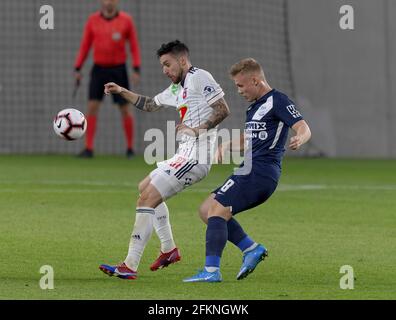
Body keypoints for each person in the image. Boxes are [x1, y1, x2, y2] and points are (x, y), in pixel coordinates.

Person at [99, 40, 230, 280]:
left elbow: (222, 109)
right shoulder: (175, 89)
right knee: (144, 188)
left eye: (168, 64)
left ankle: (130, 265)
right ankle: (169, 249)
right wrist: (121, 90)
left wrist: (199, 129)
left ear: (182, 60)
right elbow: (150, 104)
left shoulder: (199, 77)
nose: (165, 70)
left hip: (196, 157)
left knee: (147, 198)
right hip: (183, 154)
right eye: (162, 66)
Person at [183, 58, 312, 283]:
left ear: (255, 80)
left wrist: (301, 137)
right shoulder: (254, 107)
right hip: (249, 170)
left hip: (261, 173)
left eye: (241, 86)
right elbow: (250, 138)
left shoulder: (278, 100)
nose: (239, 91)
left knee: (217, 211)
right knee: (206, 210)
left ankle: (211, 271)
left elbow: (303, 126)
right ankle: (251, 249)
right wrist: (226, 145)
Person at [74, 0, 141, 158]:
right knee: (92, 107)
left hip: (119, 70)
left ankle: (130, 149)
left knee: (125, 108)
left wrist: (136, 68)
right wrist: (78, 67)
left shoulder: (126, 20)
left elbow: (134, 46)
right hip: (99, 70)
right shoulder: (92, 20)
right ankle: (88, 148)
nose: (108, 2)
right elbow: (85, 45)